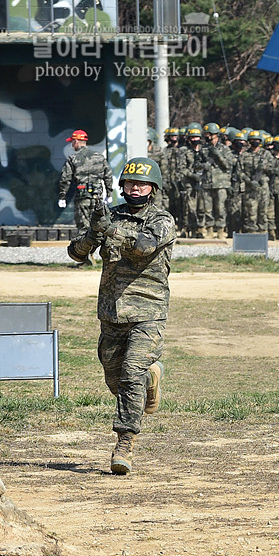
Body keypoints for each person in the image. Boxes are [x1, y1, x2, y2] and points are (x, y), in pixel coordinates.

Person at [67, 157, 176, 474]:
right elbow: (76, 253)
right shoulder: (110, 216)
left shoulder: (161, 220)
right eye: (129, 183)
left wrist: (111, 230)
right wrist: (92, 233)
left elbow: (143, 247)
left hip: (148, 311)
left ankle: (124, 443)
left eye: (141, 184)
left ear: (152, 188)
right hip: (111, 312)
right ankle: (150, 381)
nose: (134, 188)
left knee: (131, 374)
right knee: (117, 380)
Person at [57, 129, 113, 240]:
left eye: (72, 142)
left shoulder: (73, 158)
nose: (72, 145)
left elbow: (65, 179)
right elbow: (108, 176)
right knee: (99, 224)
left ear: (77, 141)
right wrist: (109, 194)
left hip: (82, 197)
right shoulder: (99, 157)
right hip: (97, 196)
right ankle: (98, 250)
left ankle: (85, 252)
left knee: (83, 227)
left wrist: (62, 196)